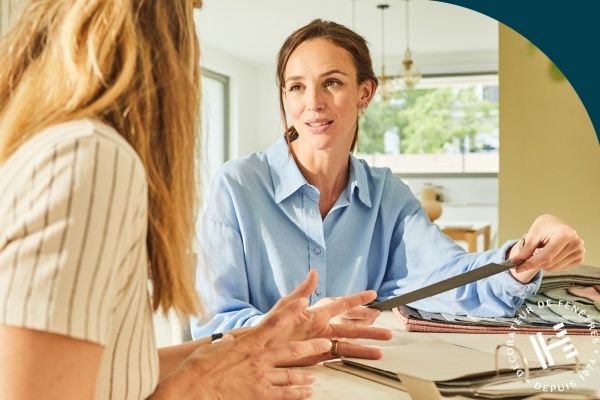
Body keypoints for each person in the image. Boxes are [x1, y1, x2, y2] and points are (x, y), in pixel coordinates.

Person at [0, 3, 393, 400]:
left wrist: (255, 341)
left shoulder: (68, 149)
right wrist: (197, 388)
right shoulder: (91, 158)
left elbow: (114, 371)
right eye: (190, 12)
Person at [192, 19, 586, 338]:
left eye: (332, 82)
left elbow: (448, 280)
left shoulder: (386, 195)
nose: (313, 102)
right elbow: (212, 323)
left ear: (365, 93)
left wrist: (520, 258)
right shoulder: (236, 186)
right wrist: (306, 328)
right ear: (284, 97)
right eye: (296, 87)